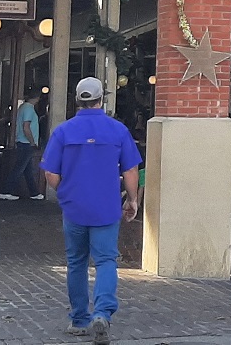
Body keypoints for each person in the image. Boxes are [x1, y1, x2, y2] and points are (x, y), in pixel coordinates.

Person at [40, 78, 142, 345]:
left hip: (74, 208)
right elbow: (131, 170)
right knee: (106, 261)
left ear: (77, 100)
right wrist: (132, 200)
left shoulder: (63, 132)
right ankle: (103, 312)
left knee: (76, 262)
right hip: (106, 208)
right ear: (101, 99)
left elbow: (51, 173)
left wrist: (64, 192)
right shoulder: (117, 130)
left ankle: (79, 319)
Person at [0, 90, 43, 200]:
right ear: (37, 98)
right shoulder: (29, 109)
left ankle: (34, 193)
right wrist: (32, 142)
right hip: (26, 143)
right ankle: (6, 191)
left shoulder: (23, 107)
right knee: (19, 169)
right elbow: (26, 127)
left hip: (22, 142)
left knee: (27, 169)